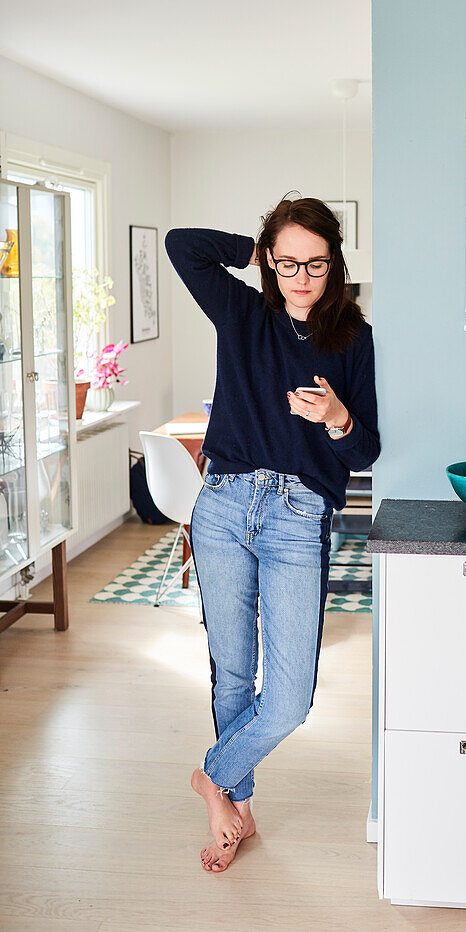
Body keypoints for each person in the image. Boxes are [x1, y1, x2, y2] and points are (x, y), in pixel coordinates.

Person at [164, 194, 380, 873]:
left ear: (335, 264)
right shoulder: (241, 311)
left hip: (297, 518)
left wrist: (338, 416)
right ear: (269, 261)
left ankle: (213, 776)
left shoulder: (354, 338)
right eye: (287, 262)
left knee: (288, 700)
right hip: (224, 504)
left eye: (316, 263)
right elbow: (181, 243)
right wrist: (256, 250)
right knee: (231, 672)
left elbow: (364, 452)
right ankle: (239, 809)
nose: (301, 277)